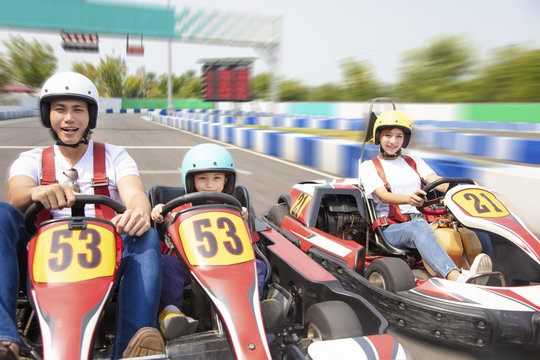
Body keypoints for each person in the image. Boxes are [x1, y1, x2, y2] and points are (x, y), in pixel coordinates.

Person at [0, 72, 164, 359]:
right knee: (1, 214)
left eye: (78, 109)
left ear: (91, 116)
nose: (69, 118)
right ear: (47, 114)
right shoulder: (31, 159)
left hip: (104, 255)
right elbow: (16, 194)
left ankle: (130, 347)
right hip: (44, 258)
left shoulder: (115, 156)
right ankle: (5, 336)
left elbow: (135, 194)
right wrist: (38, 192)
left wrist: (139, 213)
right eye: (60, 109)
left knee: (146, 234)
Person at [359, 110, 492, 283]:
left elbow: (436, 181)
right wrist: (408, 199)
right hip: (391, 229)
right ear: (379, 137)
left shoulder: (414, 162)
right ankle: (456, 277)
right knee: (419, 227)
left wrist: (464, 190)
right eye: (388, 135)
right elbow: (383, 196)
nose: (393, 141)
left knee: (470, 226)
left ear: (404, 139)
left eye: (399, 136)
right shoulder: (369, 166)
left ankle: (484, 272)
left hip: (425, 221)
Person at [151, 143, 267, 340]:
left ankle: (255, 308)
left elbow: (246, 241)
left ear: (226, 181)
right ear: (191, 180)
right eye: (203, 178)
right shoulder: (181, 207)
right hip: (190, 266)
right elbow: (167, 220)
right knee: (166, 265)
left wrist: (242, 218)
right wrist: (160, 212)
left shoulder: (232, 208)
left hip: (229, 264)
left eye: (216, 178)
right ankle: (171, 314)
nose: (210, 185)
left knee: (258, 266)